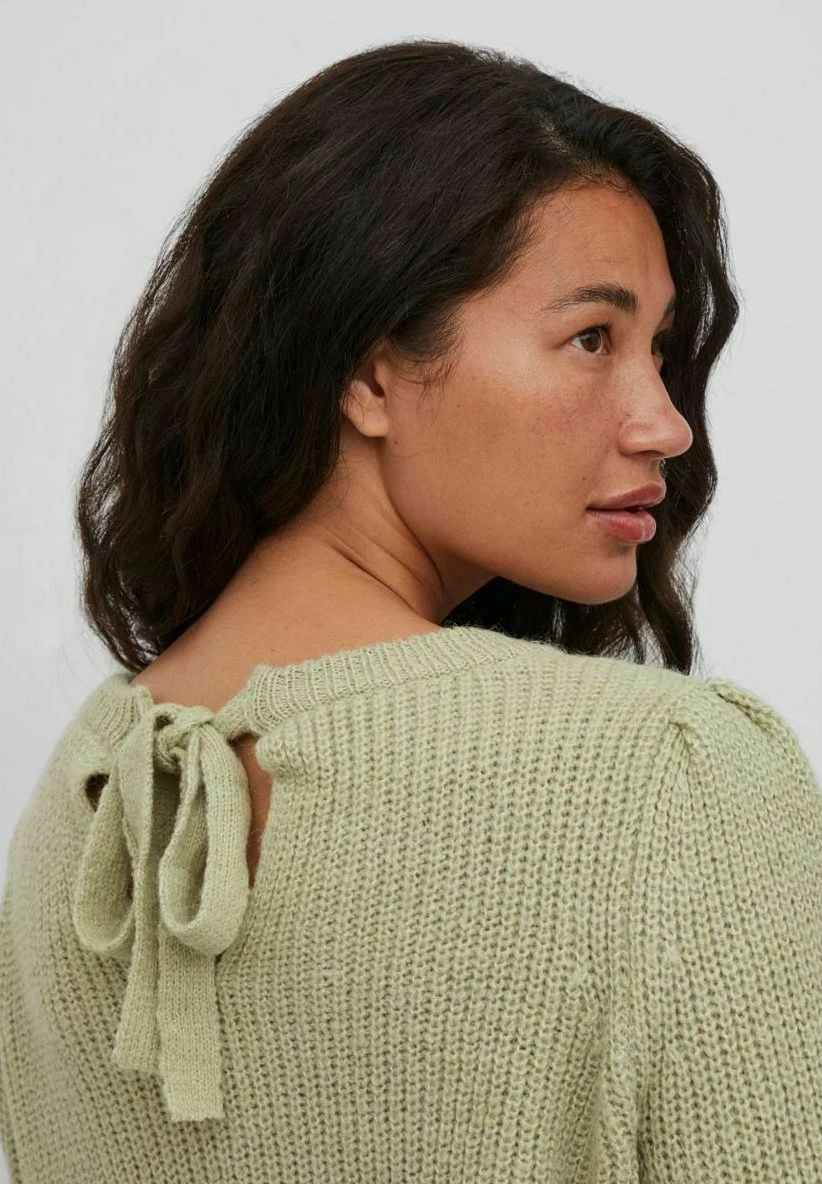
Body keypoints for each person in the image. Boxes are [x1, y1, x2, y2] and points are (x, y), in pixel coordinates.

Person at [2, 36, 820, 1183]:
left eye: (660, 349)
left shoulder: (78, 808)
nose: (666, 422)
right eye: (592, 337)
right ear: (370, 372)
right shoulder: (671, 781)